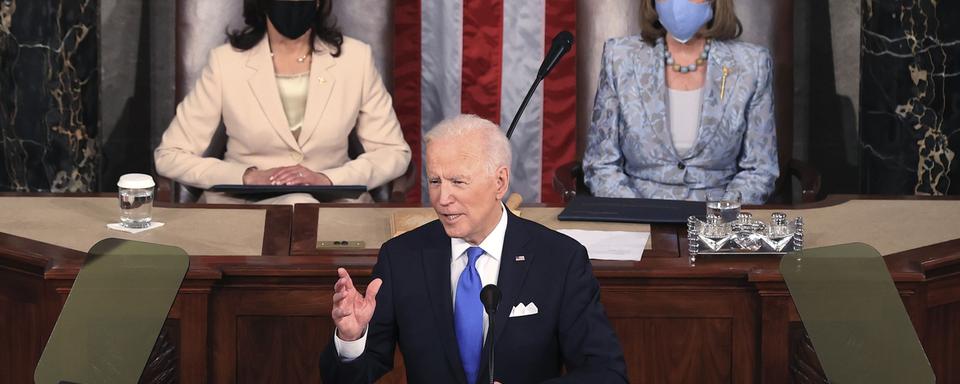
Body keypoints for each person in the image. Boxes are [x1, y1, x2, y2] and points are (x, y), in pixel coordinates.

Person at [320, 115, 628, 383]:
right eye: (435, 181)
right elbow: (350, 376)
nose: (442, 198)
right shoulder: (401, 258)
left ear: (500, 182)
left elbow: (606, 372)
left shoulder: (559, 259)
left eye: (458, 181)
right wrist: (351, 338)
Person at [154, 0, 411, 204]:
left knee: (303, 206)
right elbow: (169, 156)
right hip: (244, 208)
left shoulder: (356, 59)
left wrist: (327, 179)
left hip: (334, 207)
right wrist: (247, 177)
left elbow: (394, 152)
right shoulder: (226, 62)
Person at [583, 0, 778, 205]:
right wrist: (638, 215)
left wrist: (720, 218)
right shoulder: (619, 57)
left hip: (718, 221)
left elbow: (760, 170)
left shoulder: (752, 63)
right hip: (637, 218)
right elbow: (601, 165)